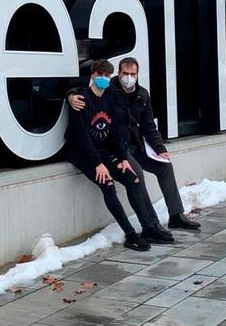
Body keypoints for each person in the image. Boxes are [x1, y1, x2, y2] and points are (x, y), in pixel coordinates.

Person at [68, 57, 200, 231]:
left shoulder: (142, 94)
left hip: (136, 145)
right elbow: (85, 91)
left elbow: (148, 126)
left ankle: (176, 215)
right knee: (137, 174)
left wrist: (160, 148)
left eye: (133, 74)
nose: (129, 77)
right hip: (118, 148)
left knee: (165, 167)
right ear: (119, 73)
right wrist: (70, 95)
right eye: (125, 73)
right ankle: (152, 223)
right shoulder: (109, 89)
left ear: (137, 75)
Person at [65, 59, 173, 251]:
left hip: (104, 150)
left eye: (107, 76)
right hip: (82, 153)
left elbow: (116, 132)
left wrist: (123, 158)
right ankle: (130, 235)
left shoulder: (110, 98)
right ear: (92, 75)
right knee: (107, 184)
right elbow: (81, 136)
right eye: (100, 75)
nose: (104, 79)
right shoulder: (81, 98)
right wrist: (98, 163)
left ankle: (148, 228)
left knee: (133, 179)